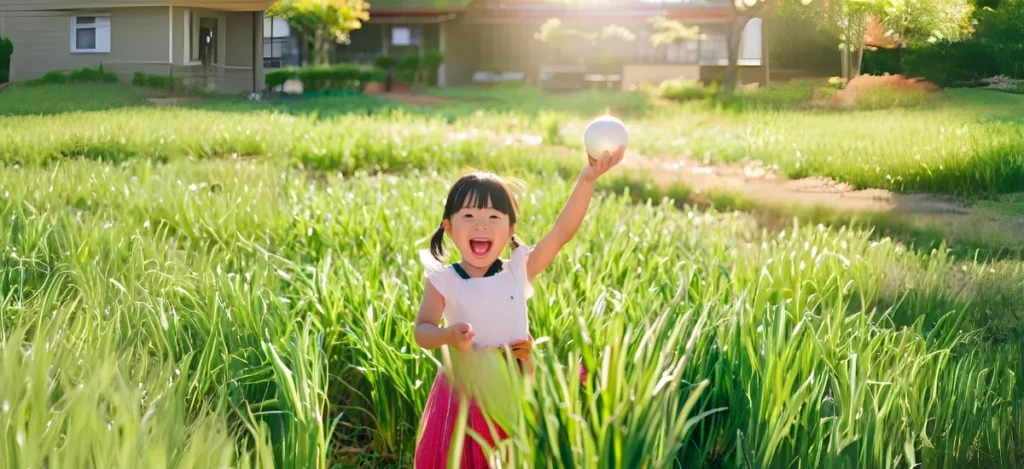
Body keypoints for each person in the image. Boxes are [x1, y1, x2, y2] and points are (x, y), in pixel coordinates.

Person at [412, 146, 626, 468]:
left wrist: (586, 179)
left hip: (516, 379)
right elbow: (422, 331)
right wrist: (448, 336)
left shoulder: (517, 269)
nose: (481, 225)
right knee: (470, 456)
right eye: (469, 216)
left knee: (516, 452)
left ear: (511, 230)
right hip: (466, 390)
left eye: (494, 218)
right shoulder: (446, 281)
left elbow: (561, 233)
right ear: (449, 227)